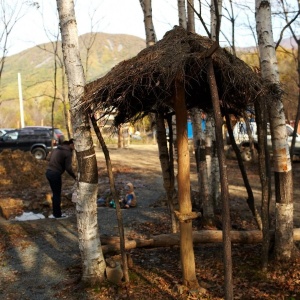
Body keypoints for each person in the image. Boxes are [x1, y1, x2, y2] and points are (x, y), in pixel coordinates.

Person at [46, 139, 76, 218]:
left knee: (55, 193)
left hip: (48, 172)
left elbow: (48, 158)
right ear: (71, 144)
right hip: (55, 174)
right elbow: (68, 168)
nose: (75, 147)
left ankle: (55, 213)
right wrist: (75, 177)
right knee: (57, 195)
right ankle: (57, 215)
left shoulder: (57, 149)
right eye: (75, 145)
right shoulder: (67, 153)